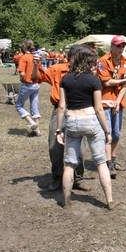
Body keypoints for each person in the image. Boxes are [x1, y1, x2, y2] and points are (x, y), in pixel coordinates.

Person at [55, 46, 119, 211]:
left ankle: (66, 201)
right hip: (90, 121)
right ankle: (110, 201)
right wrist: (107, 131)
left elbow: (61, 106)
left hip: (72, 121)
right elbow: (99, 109)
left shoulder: (65, 79)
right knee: (101, 162)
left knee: (69, 163)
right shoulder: (94, 80)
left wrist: (59, 130)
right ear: (88, 62)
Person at [36, 44, 89, 192]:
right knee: (54, 145)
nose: (79, 60)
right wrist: (35, 64)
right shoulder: (57, 69)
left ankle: (78, 178)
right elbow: (38, 77)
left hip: (79, 110)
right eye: (76, 57)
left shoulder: (86, 73)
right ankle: (57, 177)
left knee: (80, 148)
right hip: (60, 110)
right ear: (69, 57)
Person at [97, 35, 126, 178]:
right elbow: (106, 82)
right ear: (111, 47)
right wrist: (124, 80)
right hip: (105, 100)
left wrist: (118, 102)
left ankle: (113, 159)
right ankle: (108, 163)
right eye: (118, 46)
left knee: (117, 134)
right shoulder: (102, 61)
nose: (121, 48)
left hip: (118, 100)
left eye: (123, 46)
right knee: (108, 133)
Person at [16, 39, 42, 136]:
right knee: (34, 107)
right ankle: (37, 130)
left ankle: (32, 123)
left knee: (19, 106)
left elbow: (22, 73)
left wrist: (21, 79)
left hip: (27, 84)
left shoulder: (23, 57)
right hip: (36, 85)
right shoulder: (36, 57)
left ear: (24, 47)